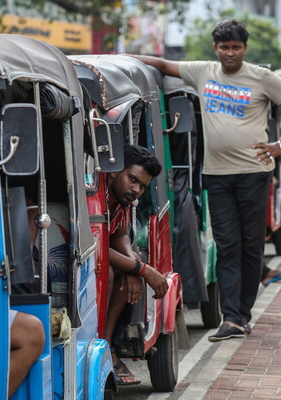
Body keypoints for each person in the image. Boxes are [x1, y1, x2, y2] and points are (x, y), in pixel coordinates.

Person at [130, 19, 281, 342]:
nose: (230, 53)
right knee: (227, 245)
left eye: (236, 47)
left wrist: (280, 144)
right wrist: (126, 59)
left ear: (245, 48)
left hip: (255, 173)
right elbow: (161, 64)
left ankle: (242, 313)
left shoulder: (262, 77)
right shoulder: (203, 71)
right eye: (224, 47)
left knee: (250, 244)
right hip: (217, 175)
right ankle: (231, 318)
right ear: (216, 48)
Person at [104, 144, 168, 385]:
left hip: (102, 258)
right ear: (114, 171)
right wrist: (140, 268)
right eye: (132, 179)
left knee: (124, 273)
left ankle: (108, 346)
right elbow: (97, 247)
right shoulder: (96, 192)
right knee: (112, 272)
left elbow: (121, 236)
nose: (136, 189)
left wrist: (133, 265)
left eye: (142, 186)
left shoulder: (122, 200)